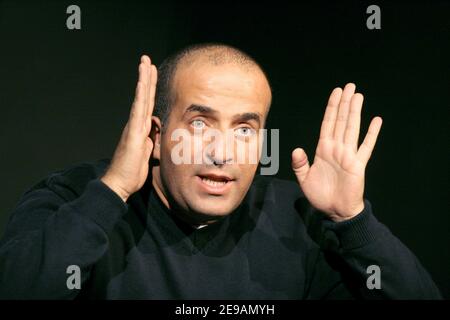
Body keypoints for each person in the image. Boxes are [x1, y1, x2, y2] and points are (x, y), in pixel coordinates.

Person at [0, 43, 442, 299]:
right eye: (199, 123)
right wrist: (112, 190)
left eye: (245, 128)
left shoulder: (301, 220)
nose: (221, 152)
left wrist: (353, 221)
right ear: (155, 134)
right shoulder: (78, 196)